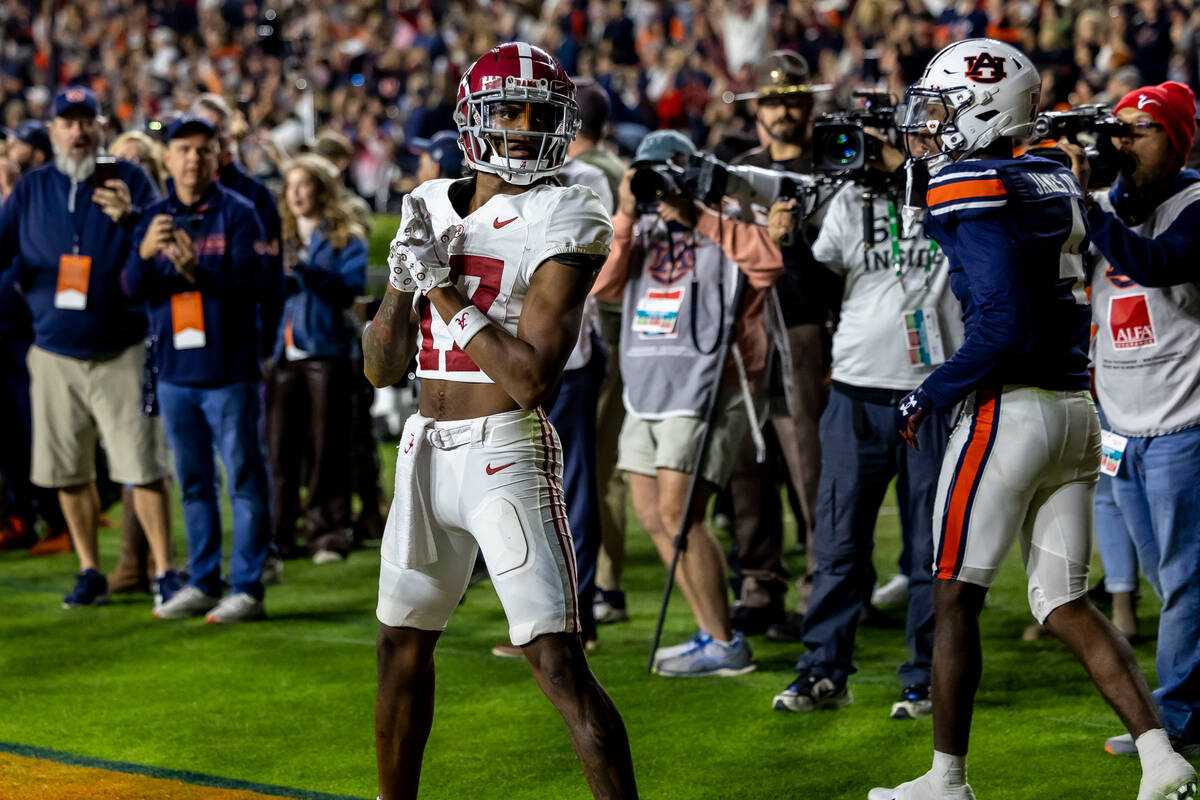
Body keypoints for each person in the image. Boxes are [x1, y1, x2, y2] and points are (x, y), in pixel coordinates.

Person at [870, 39, 1196, 800]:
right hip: (1076, 411)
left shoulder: (967, 184)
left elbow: (1002, 324)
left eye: (947, 107)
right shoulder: (1050, 171)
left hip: (1007, 412)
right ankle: (1162, 757)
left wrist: (931, 390)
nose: (933, 125)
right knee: (1064, 601)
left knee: (954, 592)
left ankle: (946, 779)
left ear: (986, 110)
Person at [364, 43, 637, 799]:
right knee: (397, 647)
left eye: (535, 114)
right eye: (505, 111)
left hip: (504, 456)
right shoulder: (425, 202)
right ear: (471, 119)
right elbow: (382, 368)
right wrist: (399, 283)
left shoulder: (569, 205)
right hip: (423, 453)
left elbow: (529, 379)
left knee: (555, 660)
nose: (519, 127)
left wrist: (443, 290)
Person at [771, 136, 962, 719]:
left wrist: (905, 169)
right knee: (837, 544)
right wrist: (791, 244)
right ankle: (824, 670)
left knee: (932, 550)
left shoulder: (954, 186)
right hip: (855, 391)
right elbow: (819, 292)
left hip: (934, 392)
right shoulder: (850, 199)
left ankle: (927, 676)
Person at [592, 129, 783, 676]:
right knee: (653, 516)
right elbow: (602, 286)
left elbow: (767, 263)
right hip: (646, 385)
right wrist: (626, 214)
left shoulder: (724, 216)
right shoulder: (639, 228)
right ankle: (711, 634)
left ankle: (725, 641)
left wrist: (696, 214)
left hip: (705, 385)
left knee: (682, 515)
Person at [0, 86, 177, 609]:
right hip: (53, 351)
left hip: (121, 346)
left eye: (86, 122)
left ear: (100, 128)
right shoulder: (30, 189)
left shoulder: (129, 178)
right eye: (67, 122)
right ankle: (88, 568)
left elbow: (160, 239)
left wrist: (128, 218)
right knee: (66, 470)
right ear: (52, 131)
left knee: (142, 465)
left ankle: (164, 570)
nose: (77, 132)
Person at [1066, 81, 1200, 760]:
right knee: (1169, 583)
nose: (1120, 144)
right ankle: (1182, 716)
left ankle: (1172, 727)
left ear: (1179, 141)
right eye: (1115, 130)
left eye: (1139, 131)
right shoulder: (1104, 205)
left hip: (1186, 426)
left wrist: (1082, 205)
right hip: (1121, 429)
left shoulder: (1197, 204)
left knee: (1185, 586)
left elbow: (1154, 263)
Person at [123, 115, 273, 624]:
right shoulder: (154, 216)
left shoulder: (240, 213)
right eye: (183, 150)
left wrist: (196, 272)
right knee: (192, 483)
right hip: (174, 373)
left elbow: (255, 287)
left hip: (229, 371)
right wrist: (144, 255)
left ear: (216, 158)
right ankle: (204, 580)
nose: (192, 158)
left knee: (244, 481)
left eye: (202, 151)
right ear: (166, 158)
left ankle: (248, 587)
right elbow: (127, 288)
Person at [723, 50, 842, 637]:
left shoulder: (834, 166)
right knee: (749, 462)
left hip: (806, 324)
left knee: (809, 464)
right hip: (745, 327)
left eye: (794, 98)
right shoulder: (739, 167)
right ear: (757, 109)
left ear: (811, 104)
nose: (784, 110)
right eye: (773, 99)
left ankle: (822, 584)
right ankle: (759, 582)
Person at [266, 154, 367, 564]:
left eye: (303, 185)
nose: (295, 194)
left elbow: (349, 288)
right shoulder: (278, 236)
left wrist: (304, 270)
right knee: (279, 450)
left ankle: (327, 533)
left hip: (327, 354)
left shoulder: (346, 237)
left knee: (327, 449)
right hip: (285, 354)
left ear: (322, 190)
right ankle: (279, 534)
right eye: (290, 186)